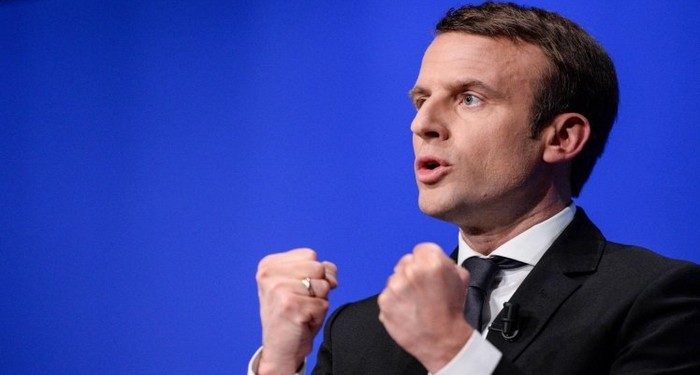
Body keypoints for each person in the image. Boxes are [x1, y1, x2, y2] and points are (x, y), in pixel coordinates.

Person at [249, 2, 700, 374]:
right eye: (422, 99)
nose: (422, 123)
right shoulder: (360, 331)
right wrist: (279, 362)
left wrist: (453, 353)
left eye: (469, 98)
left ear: (561, 138)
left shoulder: (659, 302)